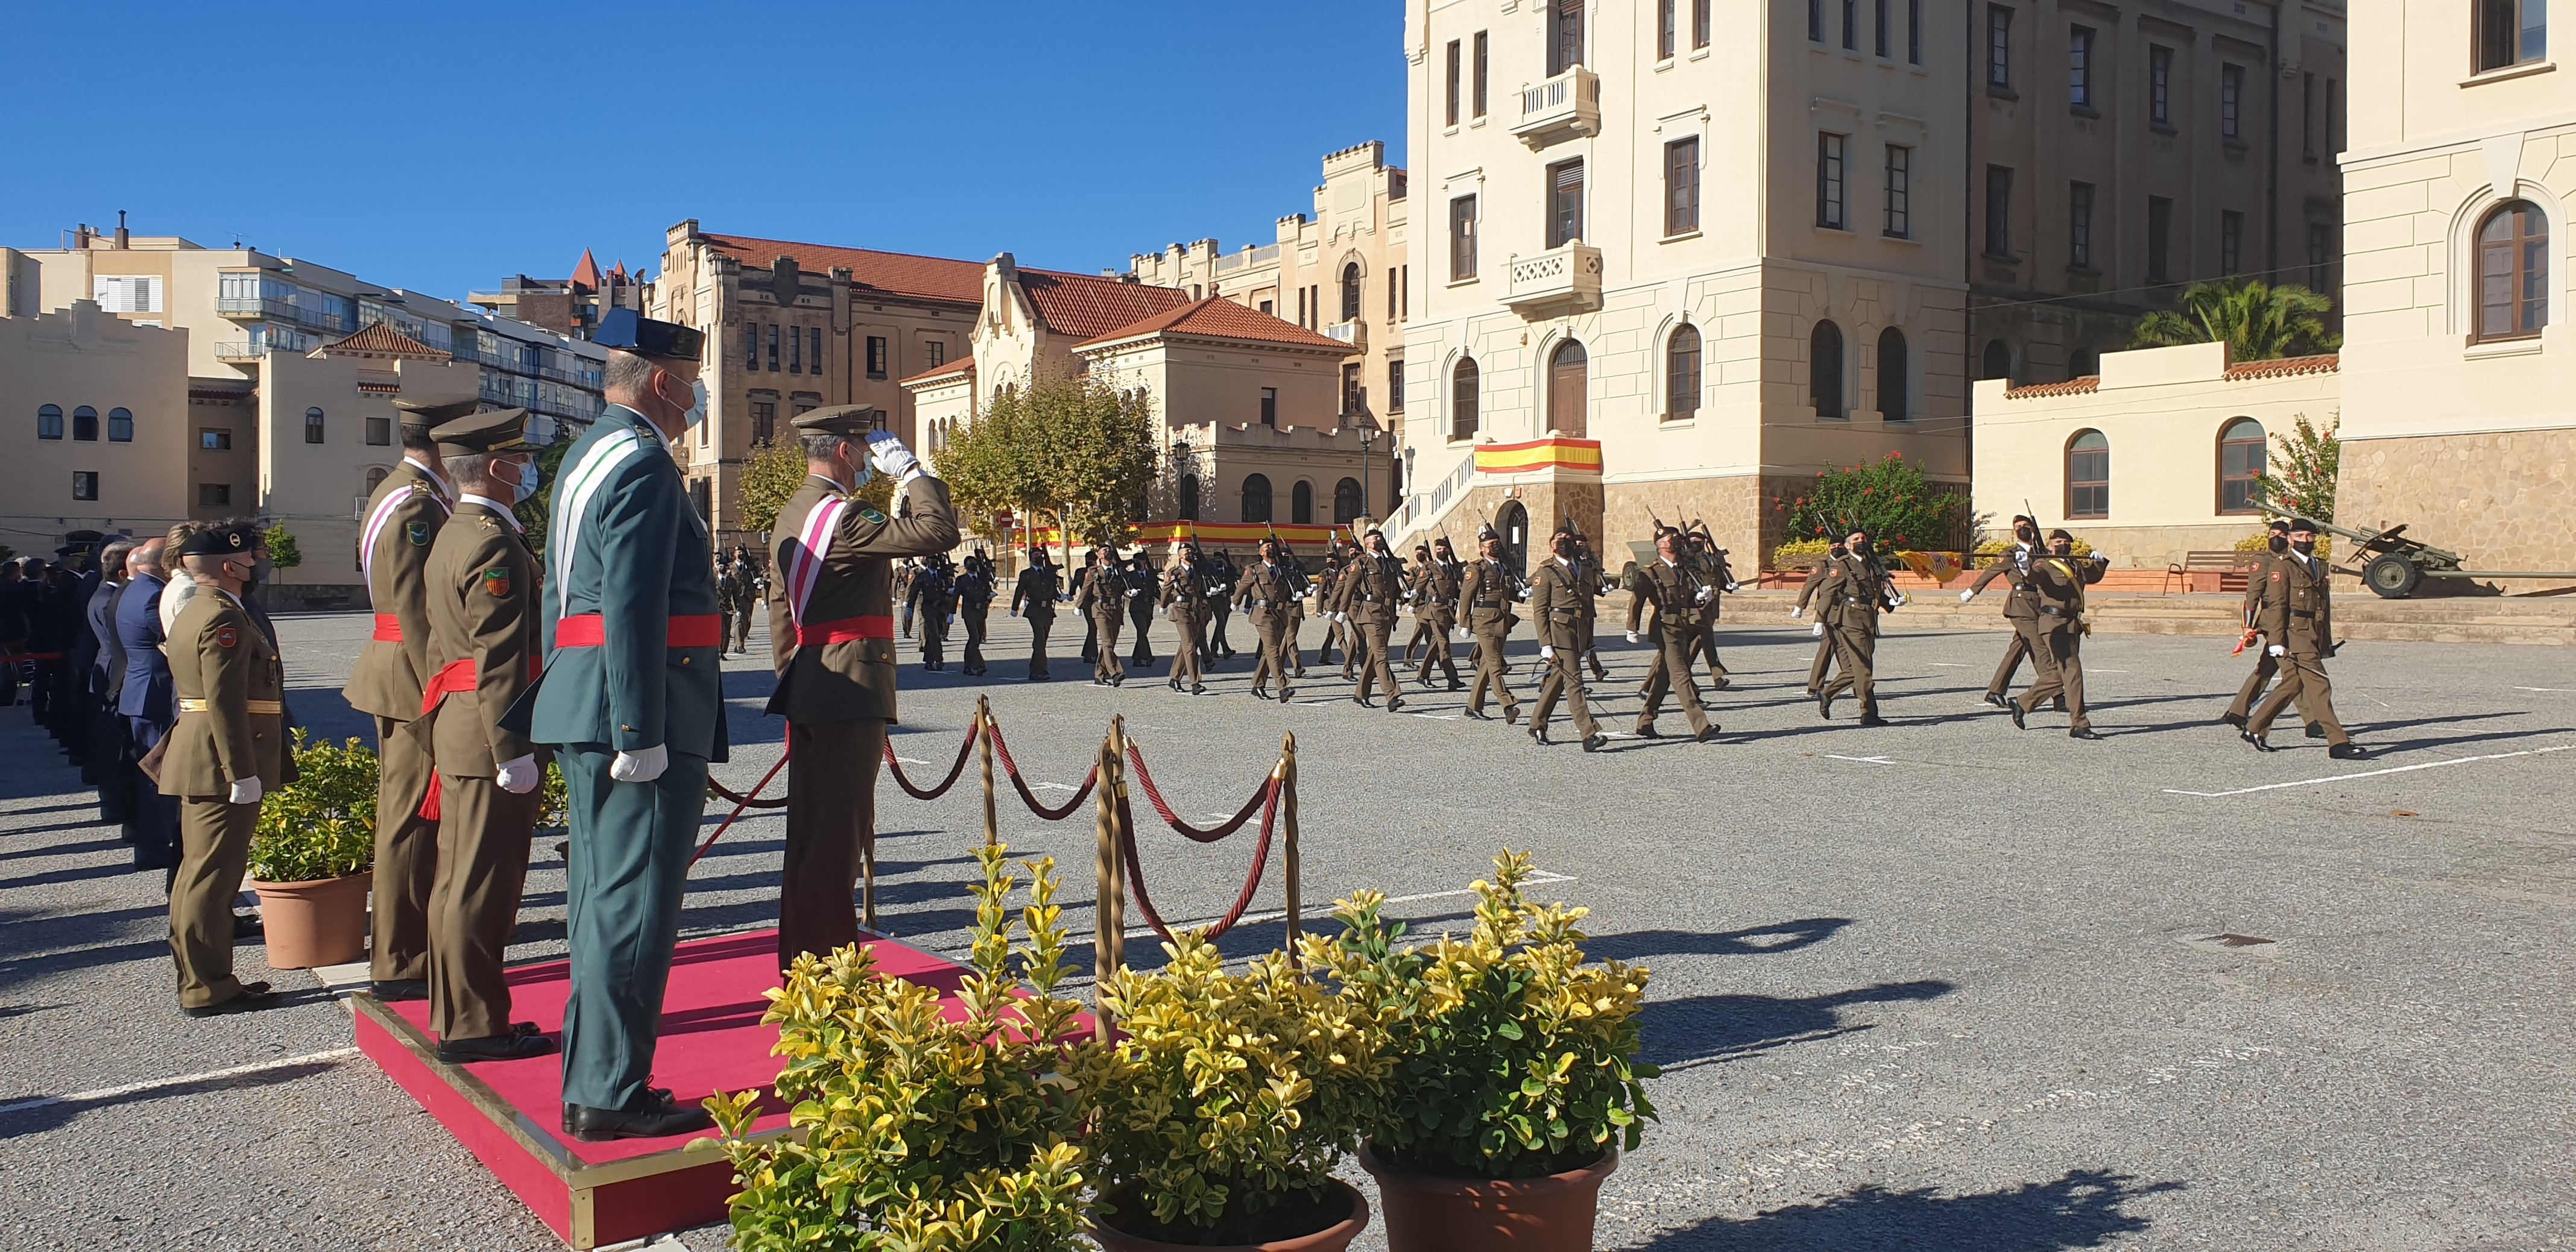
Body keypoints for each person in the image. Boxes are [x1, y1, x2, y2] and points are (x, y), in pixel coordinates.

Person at [520, 309, 727, 1140]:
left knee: (597, 901)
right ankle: (611, 1090)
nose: (698, 395)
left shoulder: (584, 453)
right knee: (635, 904)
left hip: (583, 700)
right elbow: (632, 605)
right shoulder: (643, 463)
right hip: (633, 714)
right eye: (691, 379)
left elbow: (558, 599)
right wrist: (640, 730)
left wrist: (560, 694)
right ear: (664, 382)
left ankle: (593, 1076)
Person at [766, 404, 958, 967]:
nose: (872, 459)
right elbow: (937, 531)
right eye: (866, 449)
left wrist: (797, 680)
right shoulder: (843, 517)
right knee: (839, 836)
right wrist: (913, 473)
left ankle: (803, 959)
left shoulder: (792, 513)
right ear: (846, 452)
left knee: (811, 831)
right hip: (850, 687)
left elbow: (783, 612)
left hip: (815, 683)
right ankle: (829, 969)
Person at [412, 409, 556, 1062]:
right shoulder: (493, 540)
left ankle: (458, 1010)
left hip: (462, 722)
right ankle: (475, 1024)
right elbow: (499, 656)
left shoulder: (455, 530)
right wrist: (513, 748)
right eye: (520, 461)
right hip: (487, 730)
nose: (527, 470)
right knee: (483, 884)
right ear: (497, 467)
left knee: (456, 880)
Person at [346, 393, 475, 1002]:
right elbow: (418, 611)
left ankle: (406, 945)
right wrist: (441, 686)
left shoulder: (400, 491)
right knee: (411, 820)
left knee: (413, 816)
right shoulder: (416, 505)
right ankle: (399, 956)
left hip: (396, 667)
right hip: (411, 674)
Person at [159, 522, 291, 1016]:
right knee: (213, 877)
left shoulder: (199, 609)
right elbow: (225, 703)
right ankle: (205, 984)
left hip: (203, 755)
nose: (256, 566)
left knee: (200, 874)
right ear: (230, 567)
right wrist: (241, 772)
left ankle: (206, 977)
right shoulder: (221, 619)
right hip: (218, 762)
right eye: (250, 560)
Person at [2245, 518, 2366, 758]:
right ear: (2290, 539)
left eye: (2309, 537)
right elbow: (2278, 606)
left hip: (2312, 632)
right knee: (2320, 684)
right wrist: (2277, 641)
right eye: (2299, 537)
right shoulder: (2282, 566)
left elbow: (2323, 607)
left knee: (2293, 683)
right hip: (2293, 632)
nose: (2305, 542)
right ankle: (2338, 743)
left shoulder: (2318, 566)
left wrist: (2326, 641)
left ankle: (2254, 728)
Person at [116, 538, 180, 876]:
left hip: (140, 689)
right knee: (159, 776)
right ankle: (155, 846)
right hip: (153, 692)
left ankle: (150, 841)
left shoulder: (135, 589)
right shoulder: (154, 594)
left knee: (150, 774)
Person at [2008, 530, 2107, 740]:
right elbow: (2036, 578)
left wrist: (2099, 562)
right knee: (2073, 670)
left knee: (2059, 675)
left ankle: (2024, 702)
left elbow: (2092, 576)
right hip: (2054, 625)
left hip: (2072, 624)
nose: (2063, 544)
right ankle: (2079, 724)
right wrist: (2025, 566)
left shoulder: (2075, 564)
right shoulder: (2045, 564)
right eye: (2059, 542)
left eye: (2066, 541)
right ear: (2051, 545)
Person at [2221, 518, 2316, 736]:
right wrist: (2248, 626)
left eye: (2281, 535)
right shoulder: (2264, 561)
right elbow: (2253, 594)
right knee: (2293, 672)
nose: (2275, 538)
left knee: (2267, 667)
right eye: (2272, 533)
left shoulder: (2295, 560)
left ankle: (2237, 711)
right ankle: (2313, 721)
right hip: (2274, 622)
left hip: (2290, 620)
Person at [1796, 529, 1896, 726]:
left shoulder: (1871, 564)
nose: (1861, 541)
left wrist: (1891, 603)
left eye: (1864, 538)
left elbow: (1873, 592)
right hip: (1850, 620)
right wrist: (1819, 619)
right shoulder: (1842, 566)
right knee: (1864, 669)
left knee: (1857, 668)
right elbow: (1827, 592)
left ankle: (1827, 693)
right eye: (1856, 539)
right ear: (1848, 545)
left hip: (1869, 619)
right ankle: (1869, 713)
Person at [1628, 528, 1719, 742]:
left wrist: (1700, 599)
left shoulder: (1685, 568)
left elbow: (1689, 600)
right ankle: (1701, 725)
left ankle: (1645, 721)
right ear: (1660, 545)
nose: (1677, 541)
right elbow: (1637, 601)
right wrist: (1632, 628)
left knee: (1663, 677)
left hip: (1684, 626)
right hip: (1665, 628)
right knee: (1681, 675)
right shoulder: (1651, 572)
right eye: (1671, 539)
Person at [1526, 528, 1603, 750]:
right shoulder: (1546, 571)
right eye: (1559, 540)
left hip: (1578, 630)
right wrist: (1545, 644)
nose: (1564, 543)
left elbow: (1588, 606)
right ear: (1551, 545)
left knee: (1559, 678)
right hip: (1559, 630)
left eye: (1568, 540)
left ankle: (1537, 724)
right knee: (1574, 680)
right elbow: (1540, 610)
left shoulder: (1585, 569)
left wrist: (1589, 640)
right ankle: (1588, 734)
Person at [1963, 515, 2047, 709]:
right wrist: (1971, 591)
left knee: (2018, 648)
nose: (2023, 529)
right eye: (2019, 527)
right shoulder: (2010, 553)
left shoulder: (2040, 552)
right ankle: (2057, 692)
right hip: (2020, 605)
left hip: (2038, 604)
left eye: (2026, 526)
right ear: (2014, 532)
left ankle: (1995, 691)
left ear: (2033, 529)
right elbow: (1991, 572)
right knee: (2039, 646)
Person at [1329, 529, 1407, 711]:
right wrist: (1342, 610)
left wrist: (1401, 599)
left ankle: (1361, 694)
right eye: (1375, 539)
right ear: (1368, 544)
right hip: (1370, 613)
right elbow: (1348, 587)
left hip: (1386, 613)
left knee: (1374, 655)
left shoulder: (1389, 562)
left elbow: (1393, 586)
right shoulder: (1361, 563)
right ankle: (1392, 695)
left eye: (1380, 538)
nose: (1379, 541)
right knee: (1381, 655)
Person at [1459, 526, 1524, 723]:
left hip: (1502, 619)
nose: (1494, 547)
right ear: (1482, 549)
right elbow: (1466, 596)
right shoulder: (1476, 568)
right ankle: (1508, 705)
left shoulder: (1503, 566)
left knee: (1487, 665)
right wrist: (1465, 623)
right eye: (1490, 545)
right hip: (1484, 620)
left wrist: (1521, 595)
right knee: (1496, 664)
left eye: (1496, 544)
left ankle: (1473, 707)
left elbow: (1506, 592)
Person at [1236, 538, 1301, 700]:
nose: (1270, 548)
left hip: (1280, 614)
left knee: (1269, 652)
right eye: (1267, 547)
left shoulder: (1282, 569)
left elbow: (1290, 587)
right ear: (1261, 552)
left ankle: (1258, 684)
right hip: (1263, 614)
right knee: (1273, 650)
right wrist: (1235, 602)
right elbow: (1242, 587)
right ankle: (1283, 687)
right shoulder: (1254, 570)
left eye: (1272, 546)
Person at [1410, 536, 1465, 691]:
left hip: (1448, 611)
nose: (1442, 552)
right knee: (1444, 645)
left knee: (1435, 645)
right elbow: (1418, 587)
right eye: (1439, 549)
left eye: (1444, 549)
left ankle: (1423, 675)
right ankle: (1452, 679)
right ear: (1434, 551)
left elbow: (1460, 589)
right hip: (1434, 610)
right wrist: (1412, 603)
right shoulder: (1429, 568)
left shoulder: (1453, 568)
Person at [1073, 544, 1129, 687]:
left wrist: (1129, 593)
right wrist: (1078, 606)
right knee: (1107, 642)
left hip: (1116, 609)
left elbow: (1124, 588)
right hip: (1100, 609)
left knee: (1110, 644)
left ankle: (1099, 675)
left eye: (1109, 550)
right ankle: (1116, 673)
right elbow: (1085, 590)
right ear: (1099, 556)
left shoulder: (1118, 571)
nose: (1108, 552)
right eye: (1105, 551)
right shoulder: (1094, 572)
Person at [1160, 543, 1208, 694]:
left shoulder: (1198, 570)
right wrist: (1163, 605)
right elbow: (1166, 590)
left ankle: (1175, 678)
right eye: (1187, 552)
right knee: (1189, 647)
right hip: (1181, 611)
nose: (1190, 553)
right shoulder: (1175, 572)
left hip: (1195, 611)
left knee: (1186, 646)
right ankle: (1195, 683)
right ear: (1180, 555)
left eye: (1191, 551)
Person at [1010, 547, 1061, 680]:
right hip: (1034, 610)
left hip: (1048, 611)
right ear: (1031, 558)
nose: (1039, 557)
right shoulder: (1026, 574)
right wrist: (1015, 608)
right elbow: (1019, 590)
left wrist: (1060, 597)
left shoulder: (1049, 573)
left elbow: (1053, 588)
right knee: (1039, 639)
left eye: (1040, 554)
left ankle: (1035, 669)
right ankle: (1041, 671)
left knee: (1042, 641)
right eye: (1036, 555)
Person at [907, 552, 957, 671]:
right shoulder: (922, 577)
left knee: (936, 634)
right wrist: (909, 607)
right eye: (932, 562)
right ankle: (939, 660)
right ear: (928, 564)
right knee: (934, 634)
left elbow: (947, 588)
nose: (934, 564)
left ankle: (928, 660)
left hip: (941, 608)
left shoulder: (942, 575)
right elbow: (914, 593)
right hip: (928, 607)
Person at [956, 550, 995, 676]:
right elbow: (956, 596)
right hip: (969, 611)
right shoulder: (962, 580)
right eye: (970, 563)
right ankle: (979, 665)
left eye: (974, 562)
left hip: (980, 611)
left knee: (977, 639)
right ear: (966, 567)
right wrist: (951, 614)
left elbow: (987, 591)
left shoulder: (982, 578)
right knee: (974, 637)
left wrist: (990, 596)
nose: (973, 565)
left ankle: (968, 666)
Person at [1125, 552, 1158, 669]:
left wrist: (1165, 602)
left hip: (1148, 606)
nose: (1137, 563)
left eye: (1139, 560)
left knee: (1143, 633)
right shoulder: (1130, 576)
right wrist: (1129, 593)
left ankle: (1137, 658)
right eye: (1135, 561)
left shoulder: (1151, 574)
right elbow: (1124, 590)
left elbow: (1156, 589)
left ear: (1144, 561)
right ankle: (1148, 657)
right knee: (1141, 631)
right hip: (1136, 607)